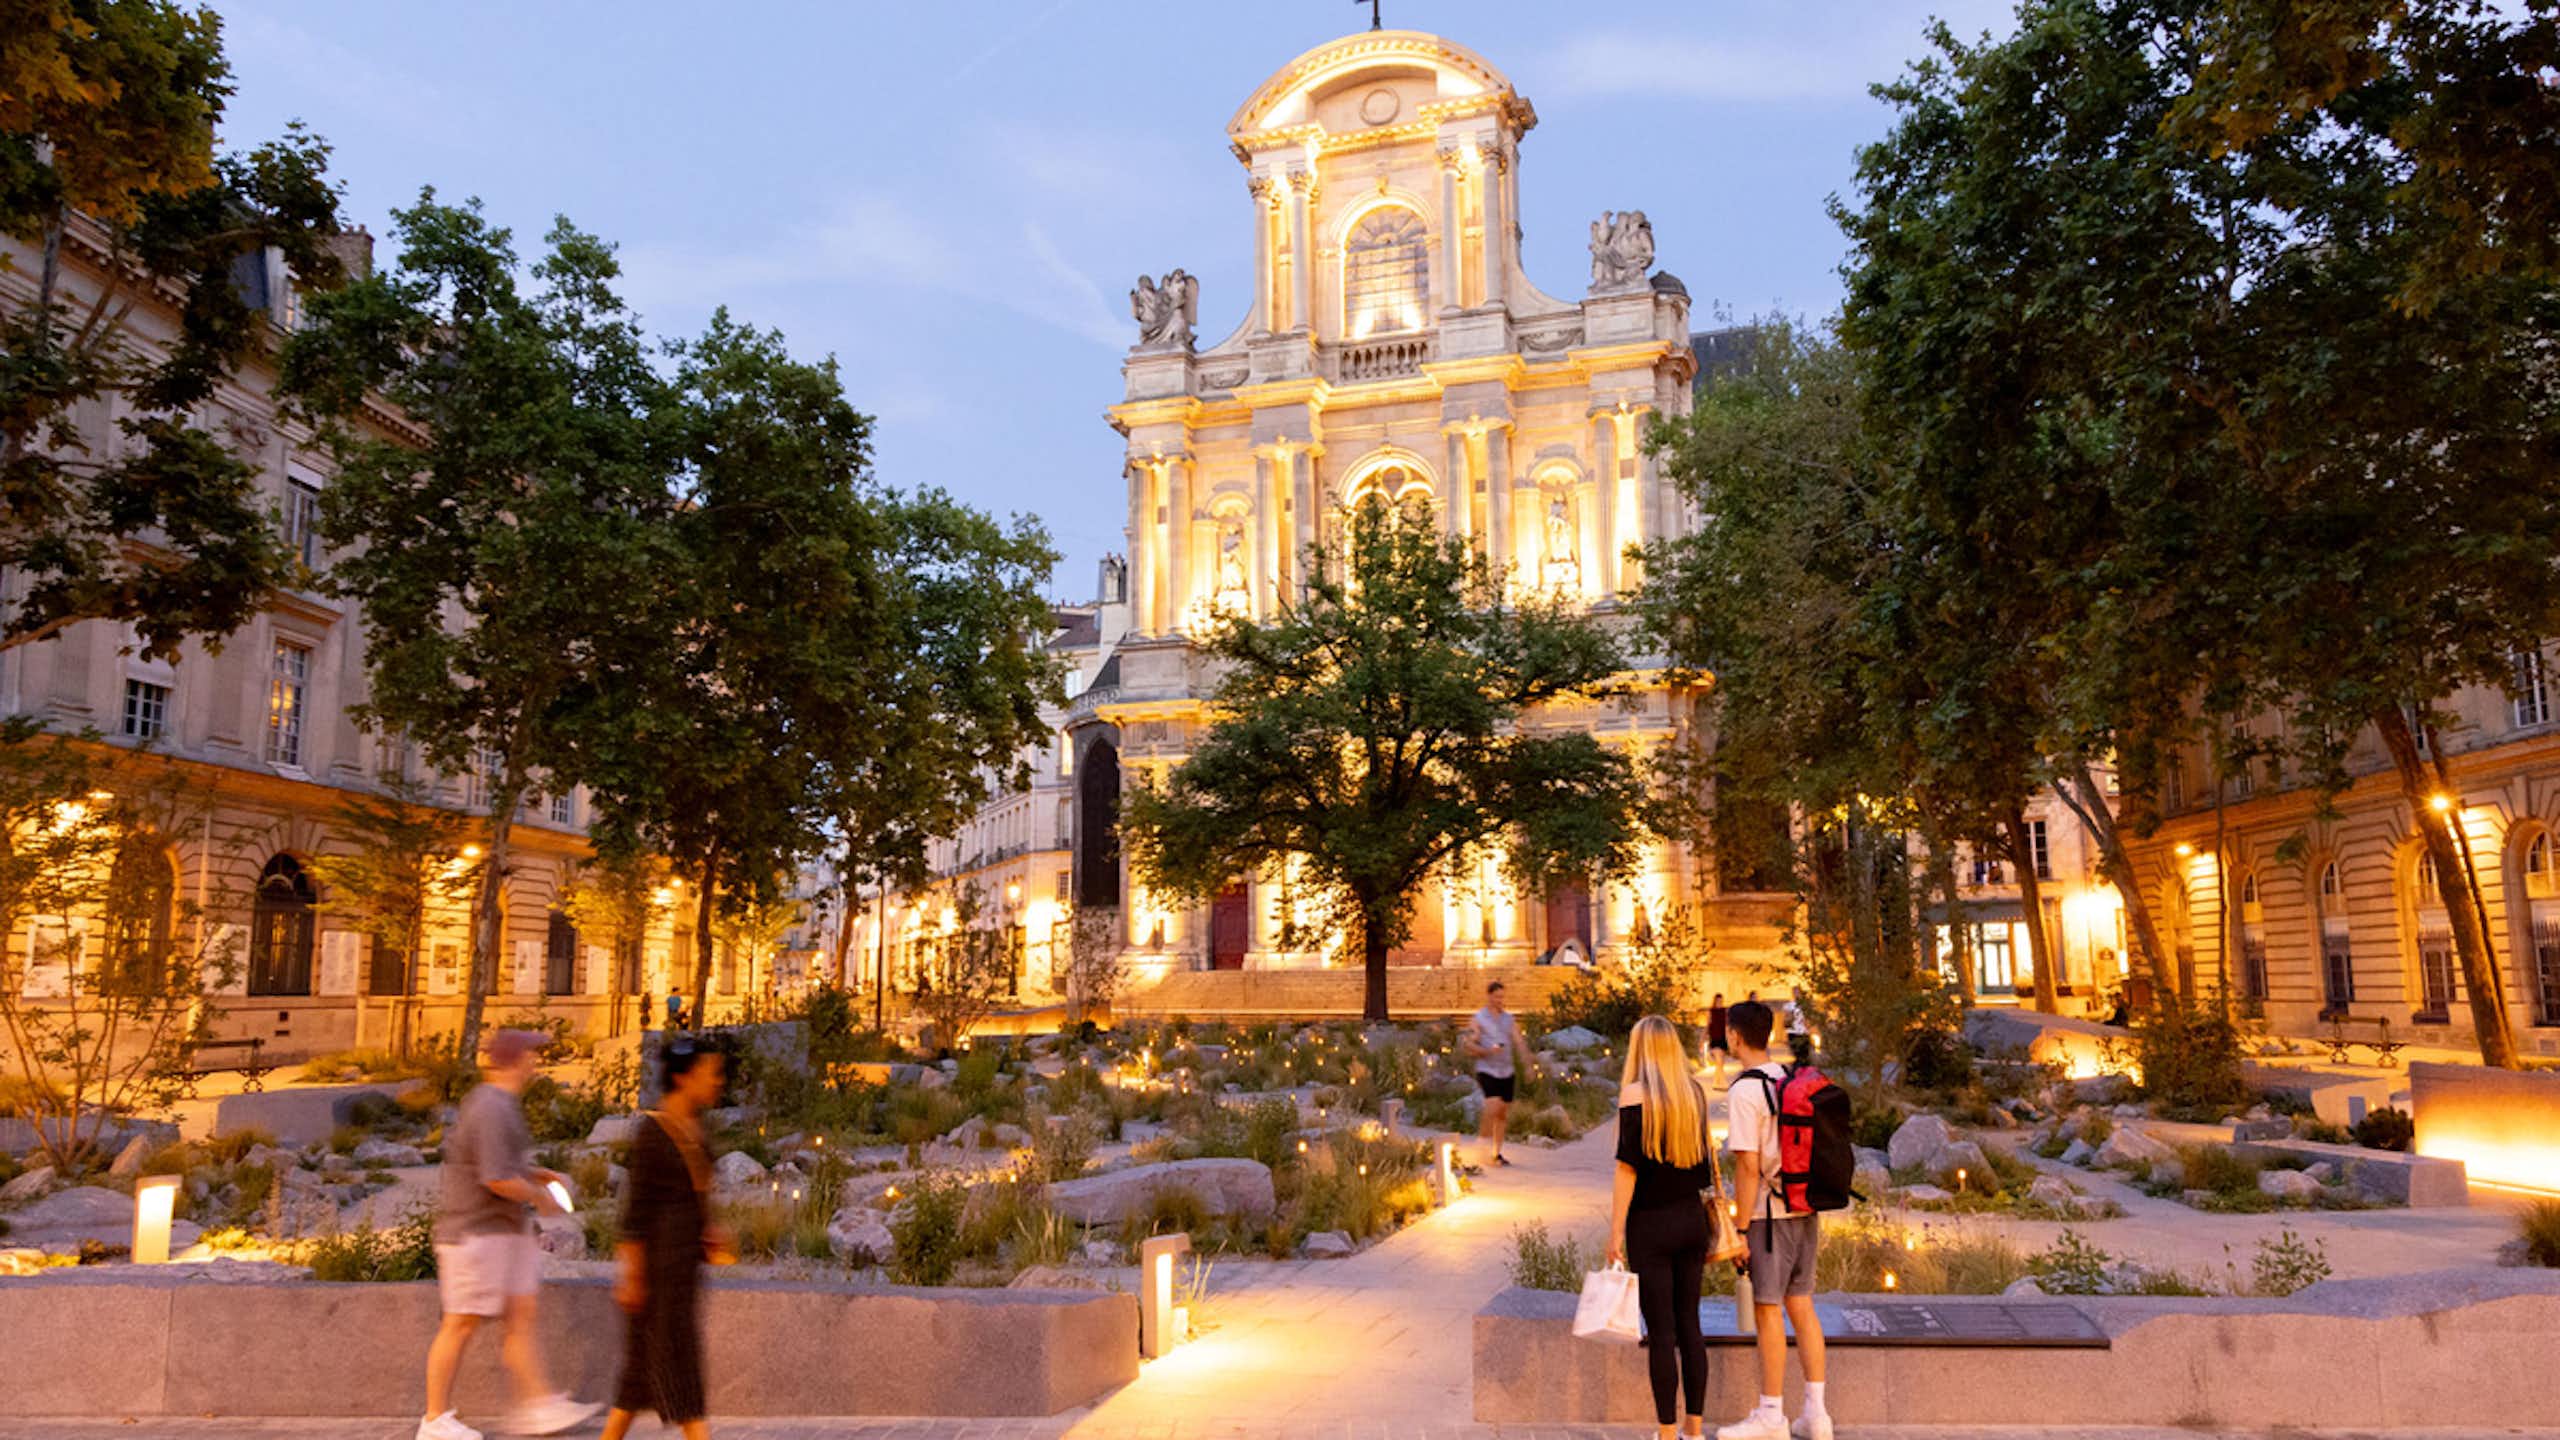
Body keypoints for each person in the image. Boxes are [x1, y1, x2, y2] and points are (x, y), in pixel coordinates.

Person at [419, 1030, 596, 1440]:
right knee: (461, 1323)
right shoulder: (491, 1106)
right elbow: (495, 1178)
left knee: (519, 1316)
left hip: (502, 1233)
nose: (536, 1061)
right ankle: (434, 1420)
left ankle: (538, 1406)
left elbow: (496, 1163)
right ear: (516, 1059)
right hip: (474, 1233)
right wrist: (539, 1197)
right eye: (532, 1053)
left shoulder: (500, 1104)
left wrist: (536, 1174)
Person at [602, 1038, 731, 1440]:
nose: (717, 1082)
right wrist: (632, 1276)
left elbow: (695, 1192)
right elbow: (635, 1213)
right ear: (682, 1077)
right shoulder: (653, 1134)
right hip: (658, 1272)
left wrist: (708, 1230)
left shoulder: (696, 1128)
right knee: (679, 1366)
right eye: (709, 1073)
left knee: (639, 1375)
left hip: (684, 1268)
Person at [1717, 1000, 1829, 1440]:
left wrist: (1740, 1229)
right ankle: (1816, 1415)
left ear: (1734, 1036)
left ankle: (1771, 1415)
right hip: (1805, 1206)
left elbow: (1748, 1167)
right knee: (1802, 1305)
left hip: (1767, 1217)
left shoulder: (1745, 1091)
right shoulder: (1787, 1078)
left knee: (1767, 1311)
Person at [1606, 1015, 1720, 1440]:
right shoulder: (1694, 1093)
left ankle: (1667, 1433)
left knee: (1661, 1332)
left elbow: (1627, 1169)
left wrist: (1615, 1232)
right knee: (1691, 1323)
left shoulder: (1634, 1096)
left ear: (1640, 1050)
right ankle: (1695, 1429)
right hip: (1691, 1220)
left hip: (1650, 1225)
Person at [1466, 980, 1535, 1167]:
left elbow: (1519, 1042)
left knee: (1502, 1113)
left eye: (1502, 997)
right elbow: (1470, 1043)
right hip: (1487, 1069)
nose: (1500, 1000)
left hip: (1506, 1070)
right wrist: (1487, 1051)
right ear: (1489, 996)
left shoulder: (1508, 1019)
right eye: (1497, 997)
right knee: (1492, 1105)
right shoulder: (1479, 1018)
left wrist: (1528, 1065)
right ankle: (1481, 1146)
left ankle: (1496, 1153)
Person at [1705, 994, 1731, 1069]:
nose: (1719, 1002)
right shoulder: (1711, 1011)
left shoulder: (1725, 1011)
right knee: (1718, 1059)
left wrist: (1729, 1037)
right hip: (1714, 1038)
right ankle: (1719, 1075)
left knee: (1721, 1061)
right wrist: (1703, 1038)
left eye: (1721, 1001)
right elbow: (1708, 1025)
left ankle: (1720, 1075)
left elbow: (1727, 1025)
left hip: (1723, 1038)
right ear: (1715, 1001)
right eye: (1718, 1001)